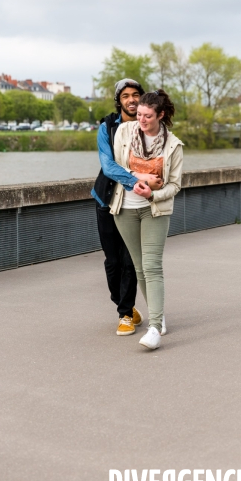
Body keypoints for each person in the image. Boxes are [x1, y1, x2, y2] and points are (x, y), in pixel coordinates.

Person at [110, 89, 184, 350]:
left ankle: (154, 327)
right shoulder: (123, 133)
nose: (140, 119)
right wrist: (139, 179)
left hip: (155, 210)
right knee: (139, 267)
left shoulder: (173, 145)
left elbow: (174, 186)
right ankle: (158, 314)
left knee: (152, 267)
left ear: (160, 115)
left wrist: (152, 194)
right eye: (139, 114)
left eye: (147, 116)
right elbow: (114, 169)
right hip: (125, 208)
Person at [91, 78, 163, 336]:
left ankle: (124, 313)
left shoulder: (150, 125)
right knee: (112, 261)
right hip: (108, 199)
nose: (131, 100)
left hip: (136, 204)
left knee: (131, 260)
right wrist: (137, 180)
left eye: (136, 95)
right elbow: (108, 167)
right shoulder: (107, 127)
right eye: (126, 96)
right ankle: (124, 306)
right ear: (119, 101)